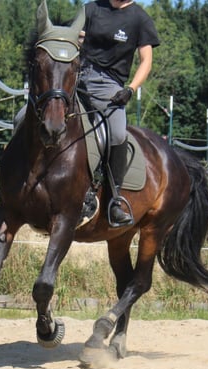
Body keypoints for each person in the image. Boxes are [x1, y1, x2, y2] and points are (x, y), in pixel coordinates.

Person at [78, 0, 160, 227]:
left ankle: (114, 201)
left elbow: (146, 61)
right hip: (76, 75)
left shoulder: (140, 19)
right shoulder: (91, 8)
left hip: (108, 85)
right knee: (28, 114)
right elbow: (73, 38)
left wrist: (130, 89)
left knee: (117, 134)